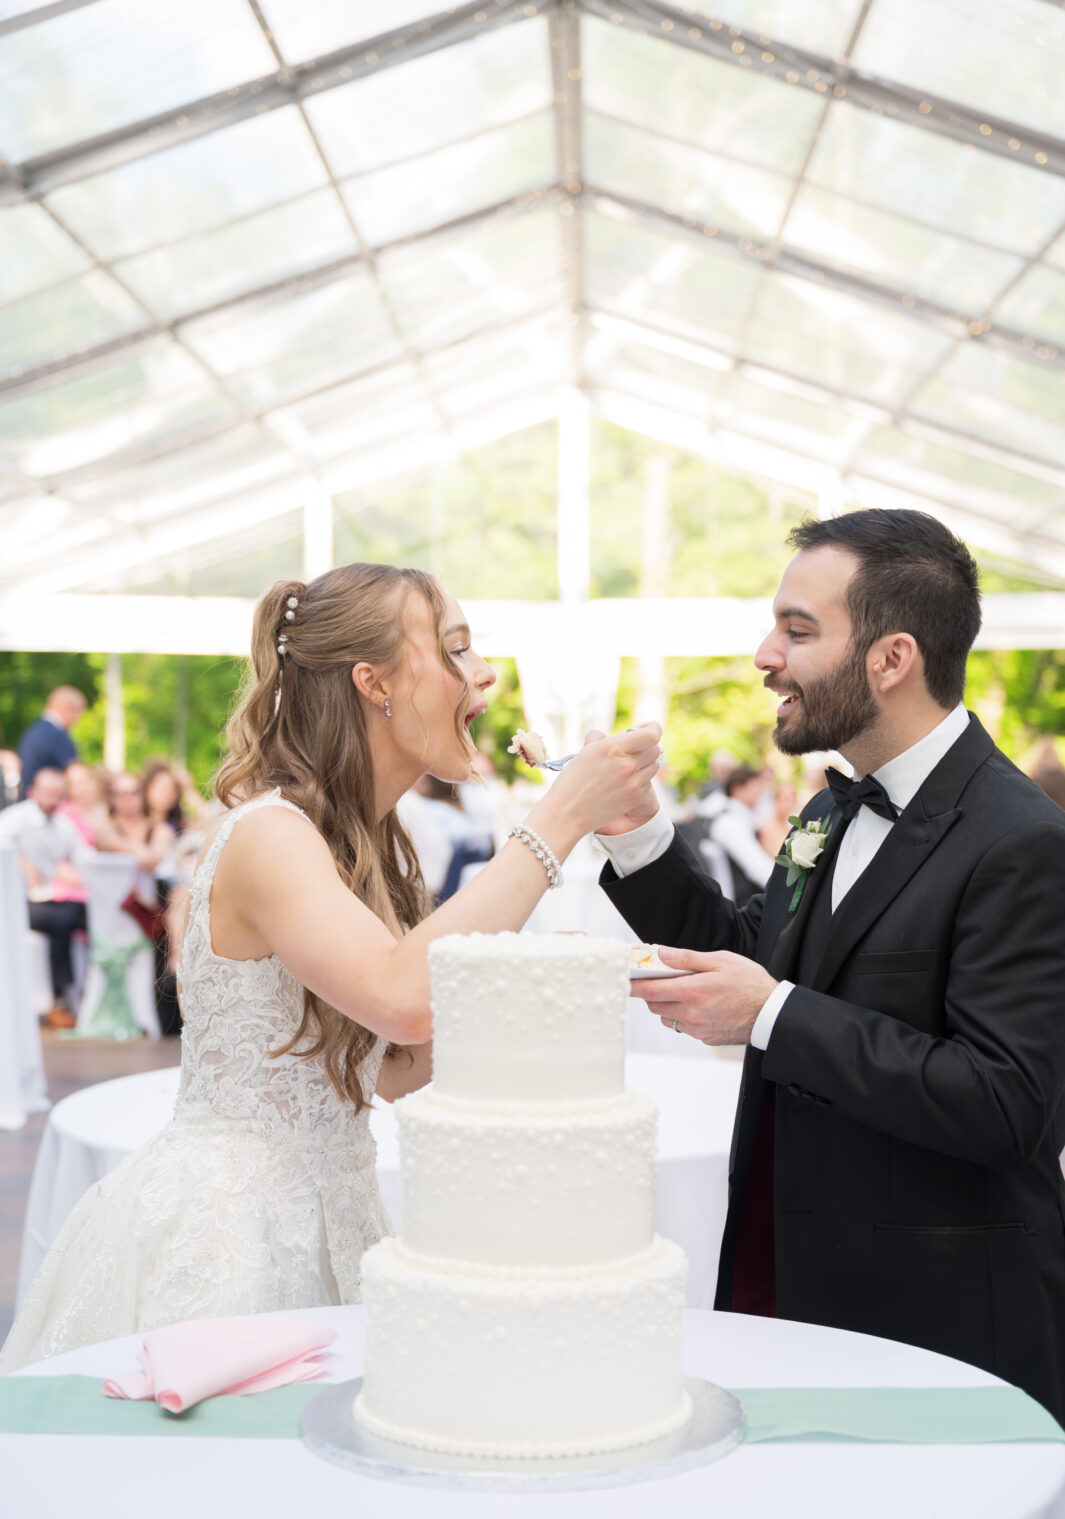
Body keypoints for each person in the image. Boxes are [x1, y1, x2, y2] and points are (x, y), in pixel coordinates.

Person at [0, 562, 660, 1370]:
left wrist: (530, 980)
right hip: (233, 1234)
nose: (483, 674)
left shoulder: (366, 844)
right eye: (455, 650)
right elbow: (402, 1000)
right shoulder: (271, 833)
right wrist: (557, 819)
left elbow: (396, 1069)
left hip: (338, 1211)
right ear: (372, 682)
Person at [597, 509, 1065, 1422]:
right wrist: (635, 834)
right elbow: (754, 955)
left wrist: (772, 1016)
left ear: (891, 659)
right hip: (791, 1274)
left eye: (797, 630)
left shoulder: (1022, 841)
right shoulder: (829, 810)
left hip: (940, 1319)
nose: (765, 655)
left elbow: (1008, 1102)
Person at [0, 767, 89, 1028]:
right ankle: (58, 999)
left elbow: (83, 858)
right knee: (59, 921)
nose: (52, 799)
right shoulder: (14, 819)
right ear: (32, 792)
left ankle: (86, 996)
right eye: (47, 793)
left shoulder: (64, 825)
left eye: (56, 794)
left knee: (82, 913)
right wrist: (20, 862)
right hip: (13, 902)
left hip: (47, 898)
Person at [707, 764, 775, 906]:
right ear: (737, 789)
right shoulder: (729, 823)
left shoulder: (742, 818)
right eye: (755, 787)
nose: (760, 792)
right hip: (740, 908)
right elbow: (757, 868)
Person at [17, 686, 86, 797]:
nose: (76, 720)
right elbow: (72, 775)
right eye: (77, 714)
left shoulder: (33, 731)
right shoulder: (58, 736)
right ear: (68, 708)